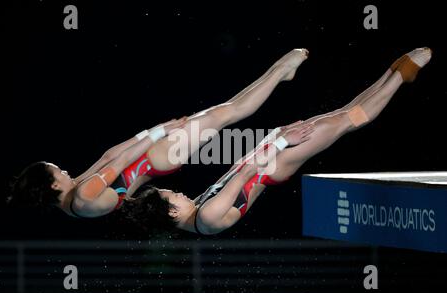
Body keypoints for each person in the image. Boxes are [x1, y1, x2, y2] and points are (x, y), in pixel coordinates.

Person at [124, 47, 432, 235]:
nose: (178, 192)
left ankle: (396, 71)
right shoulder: (206, 217)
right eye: (173, 195)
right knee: (344, 121)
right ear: (172, 212)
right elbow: (244, 176)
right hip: (271, 166)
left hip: (264, 159)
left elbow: (235, 173)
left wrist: (271, 140)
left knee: (341, 117)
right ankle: (399, 77)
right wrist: (283, 142)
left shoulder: (197, 216)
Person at [7, 49, 310, 218]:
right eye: (56, 170)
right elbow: (118, 157)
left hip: (154, 163)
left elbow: (108, 157)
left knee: (227, 112)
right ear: (51, 184)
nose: (63, 169)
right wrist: (156, 132)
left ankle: (279, 73)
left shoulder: (75, 202)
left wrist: (150, 136)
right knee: (230, 111)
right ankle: (282, 69)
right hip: (154, 155)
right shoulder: (83, 196)